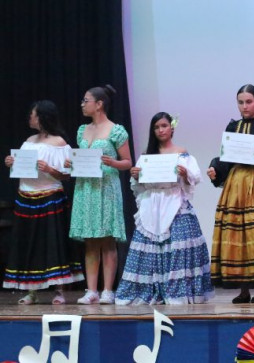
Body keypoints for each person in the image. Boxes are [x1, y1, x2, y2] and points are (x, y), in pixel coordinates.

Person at [116, 112, 214, 305]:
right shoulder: (147, 155)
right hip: (152, 205)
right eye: (156, 127)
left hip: (174, 202)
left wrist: (184, 174)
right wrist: (136, 175)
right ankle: (150, 290)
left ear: (171, 128)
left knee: (178, 246)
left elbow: (193, 179)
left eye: (164, 126)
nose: (160, 130)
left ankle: (177, 290)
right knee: (149, 248)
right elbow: (140, 187)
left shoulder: (181, 152)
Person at [207, 84, 254, 303]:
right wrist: (215, 169)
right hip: (236, 183)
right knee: (237, 233)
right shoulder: (233, 127)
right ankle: (243, 290)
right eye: (240, 102)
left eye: (248, 102)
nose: (244, 106)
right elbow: (226, 157)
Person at [3, 101, 83, 304]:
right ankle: (31, 291)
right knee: (29, 243)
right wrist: (11, 163)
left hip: (50, 196)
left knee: (53, 243)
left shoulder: (59, 143)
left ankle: (59, 291)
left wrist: (49, 169)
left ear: (42, 117)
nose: (30, 117)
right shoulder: (29, 141)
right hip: (26, 196)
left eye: (33, 114)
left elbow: (67, 175)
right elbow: (20, 168)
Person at [69, 85, 132, 305]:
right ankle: (92, 290)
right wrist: (71, 163)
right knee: (90, 241)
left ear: (99, 104)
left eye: (85, 100)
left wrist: (113, 162)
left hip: (106, 188)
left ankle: (107, 290)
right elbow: (81, 158)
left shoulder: (116, 130)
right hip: (86, 188)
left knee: (107, 240)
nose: (82, 104)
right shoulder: (82, 130)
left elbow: (128, 162)